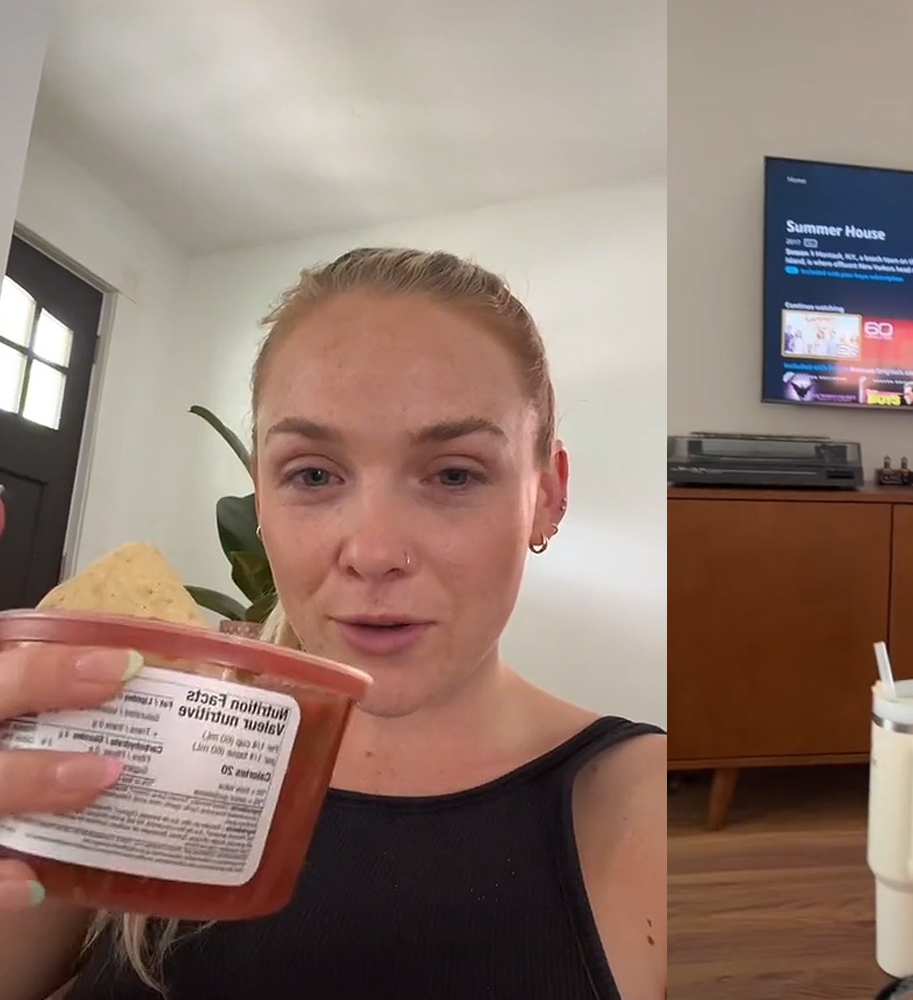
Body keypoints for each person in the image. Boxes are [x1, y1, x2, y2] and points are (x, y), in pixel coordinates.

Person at [0, 248, 667, 1000]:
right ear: (261, 497)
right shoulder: (147, 738)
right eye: (313, 475)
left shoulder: (645, 808)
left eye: (454, 473)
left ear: (547, 496)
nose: (374, 553)